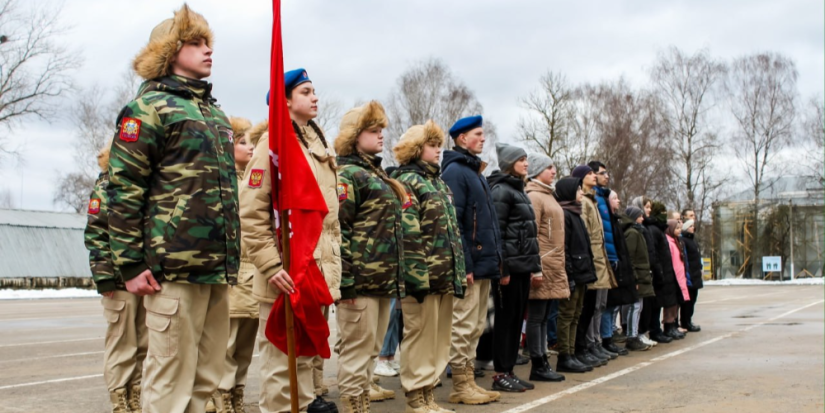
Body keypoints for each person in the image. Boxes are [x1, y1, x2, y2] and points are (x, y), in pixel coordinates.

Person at [107, 6, 239, 412]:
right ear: (170, 51)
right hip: (172, 268)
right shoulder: (148, 108)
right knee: (169, 382)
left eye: (208, 43)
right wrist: (129, 263)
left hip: (216, 268)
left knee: (205, 378)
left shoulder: (215, 113)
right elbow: (124, 186)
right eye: (195, 43)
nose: (207, 51)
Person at [240, 69, 341, 413]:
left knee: (304, 362)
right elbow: (252, 214)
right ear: (284, 101)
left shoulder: (319, 145)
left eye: (315, 91)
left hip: (315, 271)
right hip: (285, 273)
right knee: (282, 367)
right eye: (306, 91)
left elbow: (329, 222)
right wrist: (270, 265)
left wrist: (333, 273)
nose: (315, 97)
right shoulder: (273, 145)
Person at [391, 120, 467, 413]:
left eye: (438, 145)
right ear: (415, 149)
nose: (439, 151)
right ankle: (415, 396)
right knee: (420, 337)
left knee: (439, 339)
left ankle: (429, 395)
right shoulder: (408, 181)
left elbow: (450, 233)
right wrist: (416, 277)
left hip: (444, 276)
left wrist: (457, 273)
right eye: (432, 146)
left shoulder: (438, 182)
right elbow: (409, 234)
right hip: (422, 279)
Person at [334, 101, 405, 413]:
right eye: (373, 131)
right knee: (357, 352)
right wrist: (345, 281)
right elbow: (339, 229)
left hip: (382, 282)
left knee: (371, 351)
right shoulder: (348, 174)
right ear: (354, 135)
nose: (381, 137)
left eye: (381, 131)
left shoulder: (375, 174)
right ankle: (353, 407)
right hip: (359, 282)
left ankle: (361, 404)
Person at [442, 115, 502, 405]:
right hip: (470, 266)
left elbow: (487, 223)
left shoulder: (475, 172)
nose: (483, 138)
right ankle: (461, 385)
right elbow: (454, 223)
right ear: (462, 138)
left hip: (483, 265)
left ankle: (468, 382)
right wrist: (463, 263)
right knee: (463, 325)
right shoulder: (456, 171)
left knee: (476, 326)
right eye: (477, 134)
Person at [84, 143, 148, 413]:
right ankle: (120, 401)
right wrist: (104, 278)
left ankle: (135, 395)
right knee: (122, 344)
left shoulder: (141, 185)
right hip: (118, 282)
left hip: (144, 279)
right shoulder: (105, 186)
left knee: (143, 344)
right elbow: (96, 234)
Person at [488, 143, 544, 391]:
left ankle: (509, 369)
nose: (526, 163)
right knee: (506, 322)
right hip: (510, 269)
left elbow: (527, 233)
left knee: (515, 321)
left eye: (526, 159)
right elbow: (498, 233)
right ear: (510, 163)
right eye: (521, 160)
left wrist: (533, 264)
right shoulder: (501, 191)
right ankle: (500, 373)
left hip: (522, 266)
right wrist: (504, 269)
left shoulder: (518, 190)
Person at [209, 117, 256, 413]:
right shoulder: (221, 178)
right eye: (242, 142)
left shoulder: (252, 179)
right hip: (234, 272)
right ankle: (221, 395)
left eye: (251, 141)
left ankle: (237, 392)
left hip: (254, 272)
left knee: (245, 345)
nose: (250, 147)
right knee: (226, 342)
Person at [524, 153, 569, 382]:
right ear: (537, 170)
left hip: (554, 263)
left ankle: (543, 361)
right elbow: (531, 235)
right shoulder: (534, 196)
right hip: (542, 263)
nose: (554, 171)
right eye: (549, 167)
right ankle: (537, 362)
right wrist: (536, 267)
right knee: (537, 316)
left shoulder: (549, 195)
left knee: (543, 316)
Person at [570, 165, 616, 368]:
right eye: (589, 174)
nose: (595, 176)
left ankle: (589, 345)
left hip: (597, 258)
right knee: (585, 307)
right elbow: (585, 235)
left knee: (593, 306)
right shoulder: (584, 202)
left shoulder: (593, 200)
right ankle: (582, 347)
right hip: (588, 260)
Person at [553, 177, 597, 374]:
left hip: (581, 273)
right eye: (578, 189)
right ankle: (565, 355)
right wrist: (569, 275)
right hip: (572, 274)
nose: (581, 193)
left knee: (576, 313)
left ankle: (572, 353)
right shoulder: (565, 214)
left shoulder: (576, 214)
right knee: (567, 314)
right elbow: (565, 248)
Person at [621, 207, 655, 351]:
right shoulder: (632, 233)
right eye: (640, 216)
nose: (642, 219)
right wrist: (634, 278)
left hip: (642, 275)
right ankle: (632, 336)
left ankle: (635, 335)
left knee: (638, 306)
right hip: (638, 276)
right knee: (635, 306)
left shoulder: (637, 232)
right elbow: (630, 258)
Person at [666, 220, 691, 339]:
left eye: (679, 228)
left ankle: (673, 326)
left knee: (677, 303)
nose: (679, 230)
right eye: (676, 228)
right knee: (671, 304)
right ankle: (669, 326)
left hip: (680, 276)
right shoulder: (669, 242)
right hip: (674, 276)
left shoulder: (677, 242)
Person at [680, 218, 703, 332]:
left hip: (696, 273)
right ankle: (685, 322)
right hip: (690, 275)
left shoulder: (693, 240)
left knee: (693, 299)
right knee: (688, 301)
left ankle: (688, 320)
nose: (693, 228)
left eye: (693, 226)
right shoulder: (684, 240)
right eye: (690, 226)